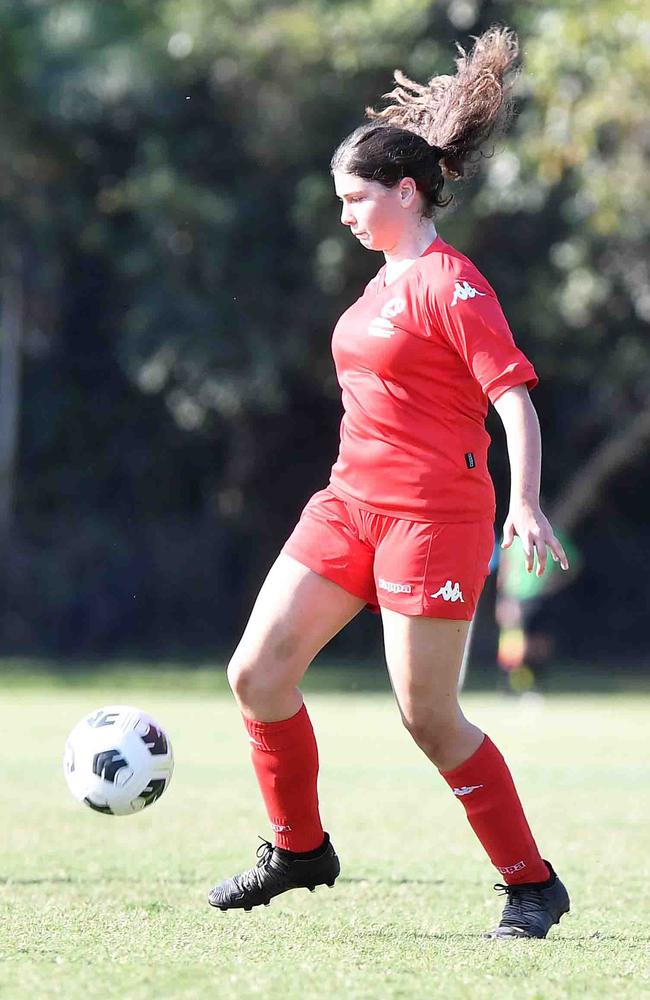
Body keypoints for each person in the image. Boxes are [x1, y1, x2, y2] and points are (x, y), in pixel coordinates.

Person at [208, 26, 571, 939]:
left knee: (429, 718)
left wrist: (524, 502)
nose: (345, 216)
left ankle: (531, 884)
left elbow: (515, 399)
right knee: (256, 674)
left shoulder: (454, 287)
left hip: (433, 520)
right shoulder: (380, 282)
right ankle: (299, 851)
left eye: (355, 199)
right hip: (347, 506)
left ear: (407, 192)